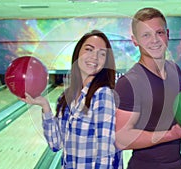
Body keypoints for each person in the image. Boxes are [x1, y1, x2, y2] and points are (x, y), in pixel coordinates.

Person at [114, 7, 181, 169]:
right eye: (146, 35)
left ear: (167, 34)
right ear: (135, 41)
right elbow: (122, 139)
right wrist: (171, 134)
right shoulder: (129, 83)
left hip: (176, 164)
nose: (154, 40)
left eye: (159, 32)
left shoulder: (175, 71)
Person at [21, 30, 122, 169]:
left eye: (102, 53)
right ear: (77, 53)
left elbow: (105, 153)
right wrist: (45, 107)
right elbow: (56, 144)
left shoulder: (103, 95)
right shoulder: (66, 98)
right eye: (89, 50)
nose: (95, 57)